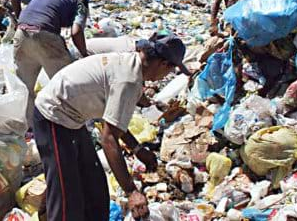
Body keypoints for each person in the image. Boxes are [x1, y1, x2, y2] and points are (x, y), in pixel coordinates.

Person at [33, 33, 191, 220]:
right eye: (171, 70)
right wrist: (132, 192)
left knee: (94, 185)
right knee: (67, 196)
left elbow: (114, 122)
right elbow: (108, 139)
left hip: (73, 119)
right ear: (164, 64)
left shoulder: (133, 65)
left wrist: (138, 149)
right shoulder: (129, 80)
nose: (168, 75)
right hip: (53, 116)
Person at [14, 0, 90, 124]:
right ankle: (70, 123)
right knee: (67, 84)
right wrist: (85, 54)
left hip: (21, 33)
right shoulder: (80, 4)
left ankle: (26, 125)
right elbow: (76, 32)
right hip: (45, 35)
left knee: (24, 87)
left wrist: (18, 18)